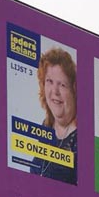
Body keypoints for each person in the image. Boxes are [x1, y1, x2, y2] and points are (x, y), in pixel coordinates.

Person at [30, 48, 77, 185]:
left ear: (73, 90)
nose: (55, 91)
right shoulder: (46, 127)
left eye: (62, 84)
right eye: (49, 81)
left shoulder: (81, 139)